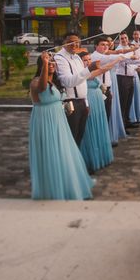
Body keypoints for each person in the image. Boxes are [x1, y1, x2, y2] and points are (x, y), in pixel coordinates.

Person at [28, 52, 94, 200]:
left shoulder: (56, 83)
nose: (52, 63)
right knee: (50, 152)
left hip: (59, 120)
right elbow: (42, 88)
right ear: (41, 65)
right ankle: (51, 187)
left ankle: (66, 183)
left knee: (63, 150)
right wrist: (45, 63)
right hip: (44, 121)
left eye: (52, 61)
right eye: (47, 62)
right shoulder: (35, 81)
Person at [54, 32, 101, 146]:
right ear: (64, 43)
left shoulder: (76, 57)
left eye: (77, 42)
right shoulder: (60, 58)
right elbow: (68, 82)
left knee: (80, 136)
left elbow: (83, 80)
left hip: (82, 102)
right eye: (71, 41)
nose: (74, 44)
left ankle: (76, 162)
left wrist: (86, 103)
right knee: (71, 138)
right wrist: (89, 68)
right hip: (70, 103)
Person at [78, 51, 121, 173]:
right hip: (90, 100)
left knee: (99, 127)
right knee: (89, 129)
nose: (88, 62)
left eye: (89, 60)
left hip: (98, 101)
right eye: (85, 60)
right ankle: (89, 160)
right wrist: (118, 59)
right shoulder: (82, 73)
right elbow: (103, 69)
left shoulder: (90, 71)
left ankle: (101, 156)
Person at [115, 32, 140, 130]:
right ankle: (122, 125)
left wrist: (137, 67)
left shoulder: (129, 49)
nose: (124, 40)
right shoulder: (119, 50)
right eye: (122, 38)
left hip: (130, 77)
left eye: (125, 38)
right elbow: (127, 61)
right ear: (119, 40)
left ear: (128, 39)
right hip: (123, 78)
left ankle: (127, 121)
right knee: (123, 102)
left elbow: (132, 63)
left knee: (129, 101)